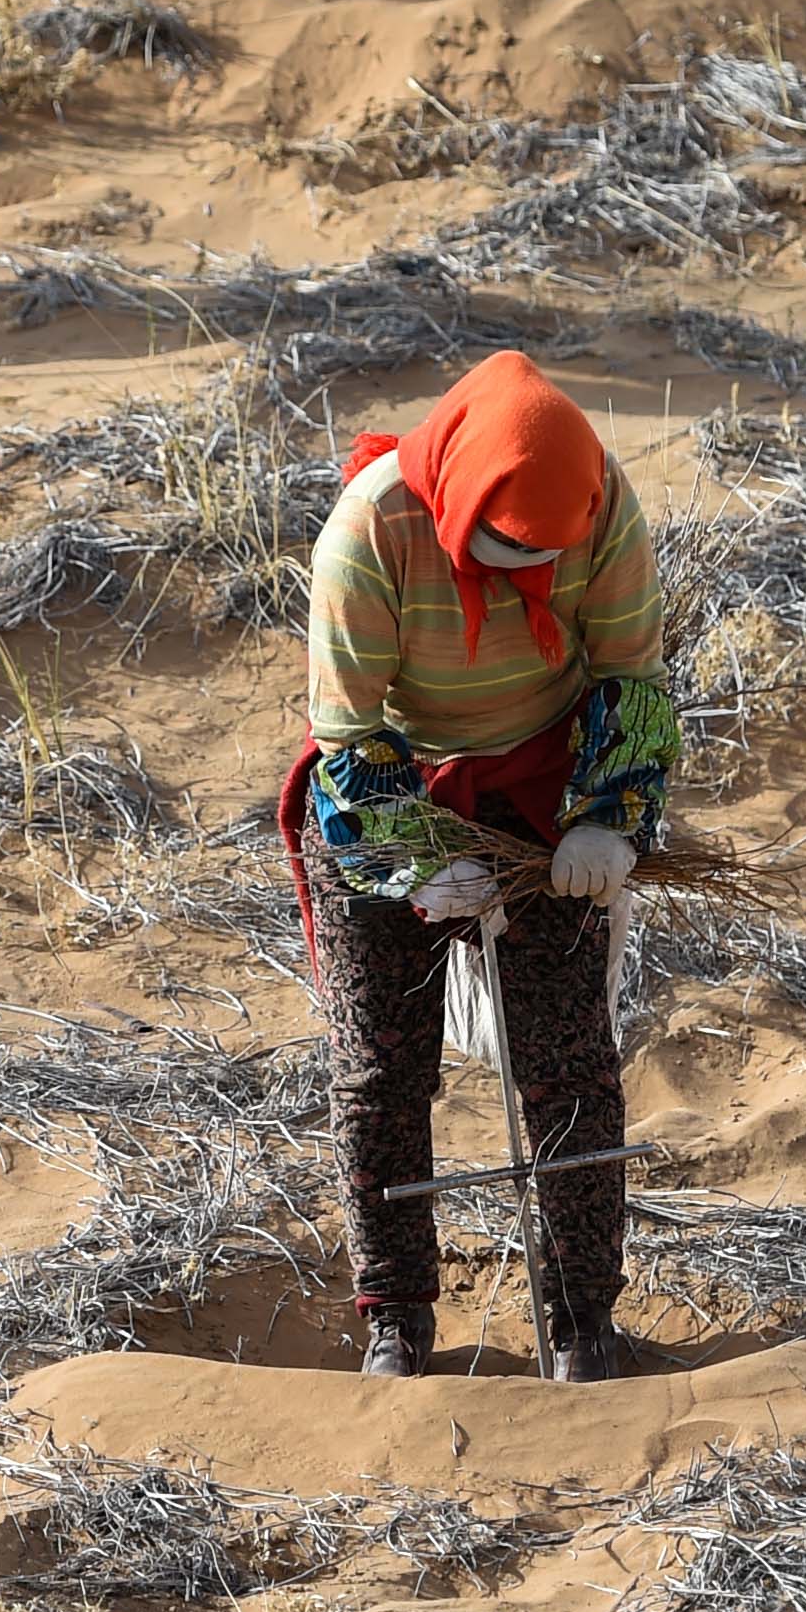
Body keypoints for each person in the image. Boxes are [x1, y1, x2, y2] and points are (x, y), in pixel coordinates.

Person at [276, 350, 681, 1383]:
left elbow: (630, 675)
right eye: (507, 545)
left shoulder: (602, 507)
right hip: (392, 785)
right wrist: (408, 861)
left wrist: (605, 825)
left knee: (569, 1062)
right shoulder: (368, 533)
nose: (532, 566)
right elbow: (348, 733)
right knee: (377, 1068)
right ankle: (396, 1321)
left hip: (540, 795)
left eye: (550, 547)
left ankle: (584, 1319)